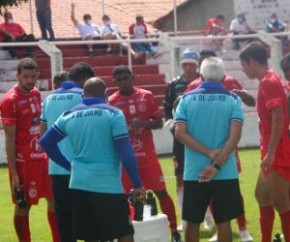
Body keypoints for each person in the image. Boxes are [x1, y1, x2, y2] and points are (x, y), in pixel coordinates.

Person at [39, 77, 145, 242]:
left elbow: (45, 142)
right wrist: (137, 184)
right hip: (108, 185)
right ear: (106, 94)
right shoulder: (113, 113)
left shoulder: (69, 115)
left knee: (90, 235)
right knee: (124, 232)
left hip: (79, 183)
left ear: (83, 95)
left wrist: (69, 165)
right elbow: (125, 151)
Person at [185, 50, 254, 242]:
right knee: (224, 220)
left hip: (197, 168)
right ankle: (234, 228)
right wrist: (215, 163)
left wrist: (207, 152)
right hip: (224, 162)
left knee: (193, 222)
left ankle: (243, 228)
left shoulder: (189, 96)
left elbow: (180, 131)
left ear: (201, 73)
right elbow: (235, 134)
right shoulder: (228, 97)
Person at [109, 65, 182, 242]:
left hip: (147, 157)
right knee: (125, 198)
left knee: (161, 193)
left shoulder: (146, 96)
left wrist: (143, 123)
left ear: (133, 77)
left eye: (126, 78)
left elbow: (159, 123)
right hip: (125, 159)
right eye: (119, 80)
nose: (123, 82)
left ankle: (173, 231)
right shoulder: (111, 102)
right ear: (115, 82)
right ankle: (129, 232)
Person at [0, 58, 60, 242]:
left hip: (42, 158)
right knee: (23, 204)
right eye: (25, 76)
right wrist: (15, 173)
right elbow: (9, 138)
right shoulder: (10, 100)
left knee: (54, 200)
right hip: (24, 162)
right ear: (17, 76)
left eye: (33, 76)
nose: (29, 80)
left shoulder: (36, 94)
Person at [239, 42, 290, 242]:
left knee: (282, 205)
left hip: (277, 154)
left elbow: (278, 118)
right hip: (273, 152)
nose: (243, 69)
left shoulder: (269, 81)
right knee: (261, 196)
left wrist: (270, 153)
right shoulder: (270, 80)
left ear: (253, 62)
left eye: (244, 65)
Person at [40, 63, 95, 242]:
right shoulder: (84, 96)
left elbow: (43, 135)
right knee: (88, 216)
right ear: (86, 79)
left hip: (57, 169)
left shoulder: (48, 99)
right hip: (82, 167)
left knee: (64, 218)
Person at [163, 48, 200, 231]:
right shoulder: (174, 84)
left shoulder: (204, 82)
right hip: (180, 139)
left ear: (197, 65)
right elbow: (167, 107)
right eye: (184, 64)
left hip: (200, 137)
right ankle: (185, 220)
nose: (188, 68)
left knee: (204, 177)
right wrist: (171, 124)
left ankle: (207, 216)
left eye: (191, 64)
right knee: (180, 178)